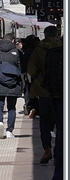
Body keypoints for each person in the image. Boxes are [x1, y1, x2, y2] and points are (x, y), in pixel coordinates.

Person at [27, 25, 63, 164]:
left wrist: (41, 80)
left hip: (44, 93)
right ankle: (59, 152)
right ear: (57, 35)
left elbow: (31, 70)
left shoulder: (39, 49)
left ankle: (47, 149)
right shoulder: (63, 48)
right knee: (60, 122)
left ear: (45, 35)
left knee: (44, 122)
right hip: (60, 93)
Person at [20, 33, 41, 116]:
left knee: (29, 92)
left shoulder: (29, 51)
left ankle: (30, 108)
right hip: (42, 76)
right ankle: (38, 109)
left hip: (30, 76)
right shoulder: (42, 50)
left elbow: (24, 64)